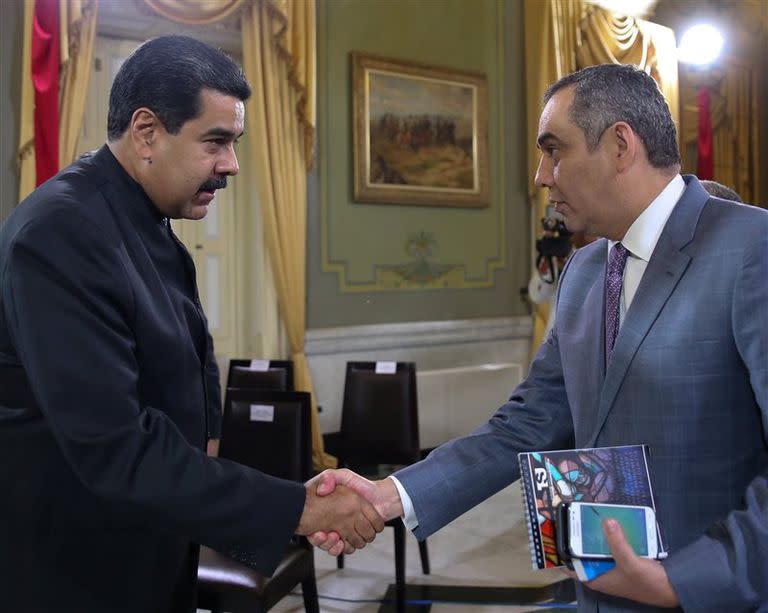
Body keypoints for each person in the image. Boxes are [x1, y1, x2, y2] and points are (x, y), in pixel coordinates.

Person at [311, 64, 768, 612]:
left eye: (555, 150)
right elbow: (526, 424)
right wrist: (389, 496)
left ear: (621, 145)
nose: (541, 176)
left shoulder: (751, 249)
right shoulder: (583, 272)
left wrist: (682, 582)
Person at [0, 35, 382, 613]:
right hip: (76, 568)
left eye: (234, 143)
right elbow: (117, 447)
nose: (230, 164)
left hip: (151, 540)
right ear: (147, 131)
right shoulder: (61, 233)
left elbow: (187, 361)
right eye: (215, 142)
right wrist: (297, 508)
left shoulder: (147, 220)